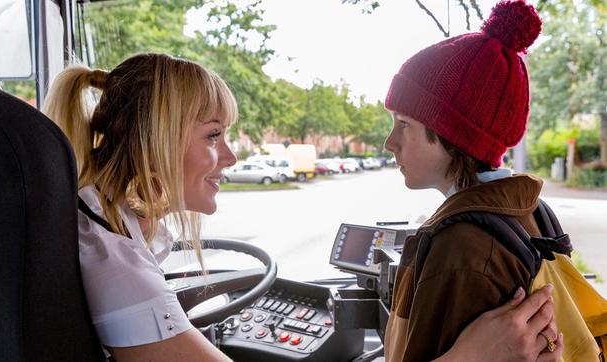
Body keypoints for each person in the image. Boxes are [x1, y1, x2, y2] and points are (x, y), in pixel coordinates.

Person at [42, 53, 560, 361]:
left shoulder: (111, 226)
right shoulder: (119, 269)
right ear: (156, 139)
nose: (231, 155)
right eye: (214, 135)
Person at [381, 1, 564, 361]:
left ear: (454, 135)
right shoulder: (531, 211)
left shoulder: (461, 247)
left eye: (405, 124)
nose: (390, 143)